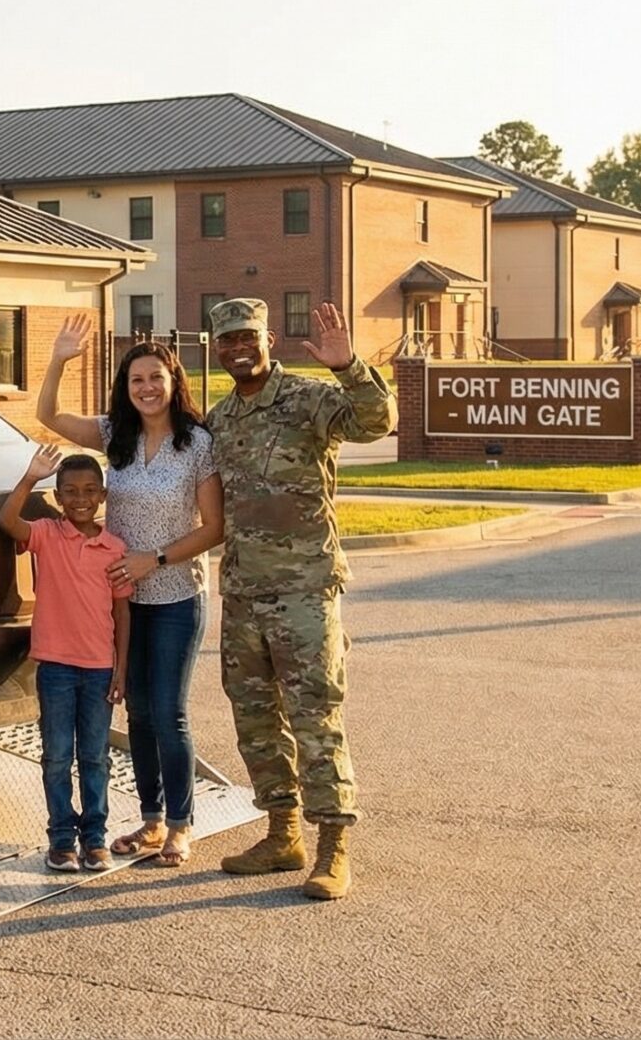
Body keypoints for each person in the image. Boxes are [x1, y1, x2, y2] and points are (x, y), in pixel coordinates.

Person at [204, 296, 394, 901]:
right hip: (243, 591)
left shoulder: (308, 398)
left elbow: (375, 422)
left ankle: (334, 846)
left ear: (268, 340)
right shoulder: (219, 419)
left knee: (316, 715)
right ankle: (282, 833)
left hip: (305, 589)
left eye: (248, 337)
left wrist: (347, 366)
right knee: (255, 719)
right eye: (228, 340)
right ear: (217, 348)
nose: (239, 348)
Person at [34, 314, 223, 867]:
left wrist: (154, 558)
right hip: (119, 601)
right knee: (136, 713)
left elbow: (215, 528)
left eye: (155, 378)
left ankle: (181, 825)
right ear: (127, 386)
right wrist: (59, 359)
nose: (146, 388)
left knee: (168, 712)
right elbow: (48, 415)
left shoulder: (197, 444)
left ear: (173, 381)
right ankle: (152, 819)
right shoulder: (115, 435)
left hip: (175, 595)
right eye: (136, 379)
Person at [0, 444, 131, 873]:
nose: (80, 499)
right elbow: (7, 521)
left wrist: (121, 668)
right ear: (57, 497)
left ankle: (95, 838)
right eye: (70, 491)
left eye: (90, 490)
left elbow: (122, 612)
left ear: (103, 496)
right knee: (56, 755)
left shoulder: (115, 548)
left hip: (100, 669)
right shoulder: (46, 535)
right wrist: (30, 477)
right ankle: (61, 840)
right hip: (55, 667)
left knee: (95, 756)